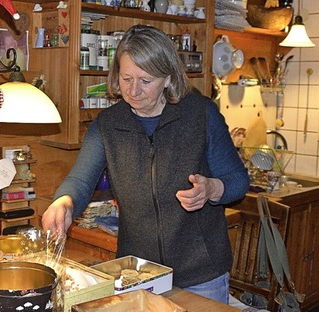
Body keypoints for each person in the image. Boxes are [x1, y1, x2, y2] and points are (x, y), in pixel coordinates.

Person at [41, 24, 250, 304]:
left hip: (201, 274)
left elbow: (238, 180)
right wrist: (63, 202)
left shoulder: (201, 115)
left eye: (145, 80)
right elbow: (80, 180)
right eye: (126, 79)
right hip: (138, 275)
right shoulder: (108, 125)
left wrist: (212, 189)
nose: (133, 91)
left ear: (168, 77)